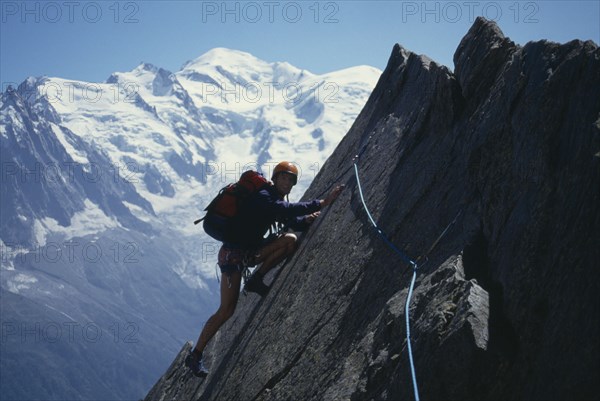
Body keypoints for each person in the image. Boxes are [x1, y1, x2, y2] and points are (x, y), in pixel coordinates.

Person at [185, 161, 344, 377]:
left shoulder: (273, 200)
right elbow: (283, 210)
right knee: (226, 310)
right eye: (284, 178)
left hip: (250, 252)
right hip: (233, 256)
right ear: (275, 178)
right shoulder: (263, 197)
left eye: (291, 181)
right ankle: (195, 355)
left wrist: (306, 219)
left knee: (289, 241)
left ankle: (256, 279)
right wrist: (322, 203)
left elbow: (290, 220)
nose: (288, 183)